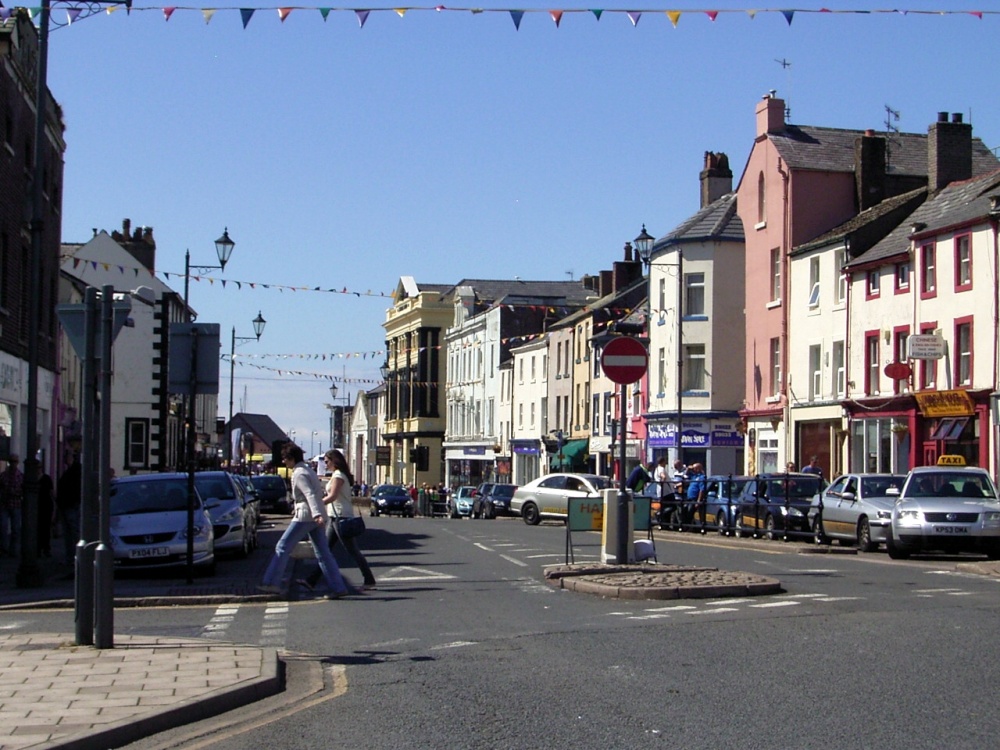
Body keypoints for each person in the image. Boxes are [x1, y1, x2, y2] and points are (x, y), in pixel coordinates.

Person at [259, 443, 351, 599]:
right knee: (323, 553)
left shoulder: (299, 473)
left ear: (292, 458)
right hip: (315, 515)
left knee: (282, 546)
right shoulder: (308, 470)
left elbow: (309, 495)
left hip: (305, 516)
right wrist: (318, 515)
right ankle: (338, 587)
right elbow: (315, 494)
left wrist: (315, 514)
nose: (283, 462)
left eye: (285, 459)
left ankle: (271, 583)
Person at [302, 449, 376, 591]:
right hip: (335, 516)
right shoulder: (337, 475)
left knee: (352, 551)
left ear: (334, 461)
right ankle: (311, 580)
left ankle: (369, 580)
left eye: (327, 461)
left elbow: (333, 496)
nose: (325, 463)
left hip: (341, 517)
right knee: (325, 550)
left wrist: (316, 504)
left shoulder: (338, 476)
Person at [55, 455, 82, 565]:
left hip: (70, 505)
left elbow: (72, 489)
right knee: (70, 533)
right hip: (68, 505)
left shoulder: (74, 472)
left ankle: (74, 557)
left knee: (72, 533)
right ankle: (72, 557)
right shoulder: (72, 471)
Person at [0, 455, 24, 558]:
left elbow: (23, 490)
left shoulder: (20, 476)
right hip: (4, 504)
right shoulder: (3, 475)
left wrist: (16, 493)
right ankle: (4, 548)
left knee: (15, 529)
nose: (13, 464)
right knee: (3, 527)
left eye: (15, 462)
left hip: (16, 504)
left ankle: (13, 550)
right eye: (12, 461)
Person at [36, 467, 54, 558]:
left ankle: (45, 548)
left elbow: (51, 492)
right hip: (37, 507)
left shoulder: (46, 478)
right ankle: (39, 548)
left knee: (46, 528)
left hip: (46, 506)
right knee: (38, 528)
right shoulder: (33, 478)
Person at [686, 462, 707, 532]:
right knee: (688, 513)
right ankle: (691, 527)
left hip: (696, 498)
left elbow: (702, 490)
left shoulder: (702, 477)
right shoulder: (694, 476)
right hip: (690, 498)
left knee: (695, 513)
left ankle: (702, 528)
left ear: (698, 469)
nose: (693, 469)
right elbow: (686, 475)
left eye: (694, 468)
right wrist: (688, 468)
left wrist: (698, 500)